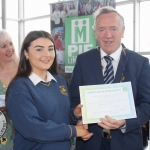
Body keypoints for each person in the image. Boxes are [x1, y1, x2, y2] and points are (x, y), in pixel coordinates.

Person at [69, 6, 150, 150]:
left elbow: (147, 105)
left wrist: (124, 122)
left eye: (113, 28)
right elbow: (73, 101)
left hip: (126, 143)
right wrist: (76, 114)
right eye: (102, 29)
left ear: (122, 31)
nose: (108, 35)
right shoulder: (83, 61)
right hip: (90, 142)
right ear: (95, 33)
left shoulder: (140, 63)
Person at [6, 30, 89, 150]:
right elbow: (33, 129)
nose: (47, 54)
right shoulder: (19, 87)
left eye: (50, 49)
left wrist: (74, 115)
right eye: (39, 49)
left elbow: (60, 119)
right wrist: (73, 131)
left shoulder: (59, 82)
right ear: (26, 53)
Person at [0, 29, 18, 150]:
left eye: (11, 43)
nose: (9, 49)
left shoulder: (24, 70)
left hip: (22, 129)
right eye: (3, 46)